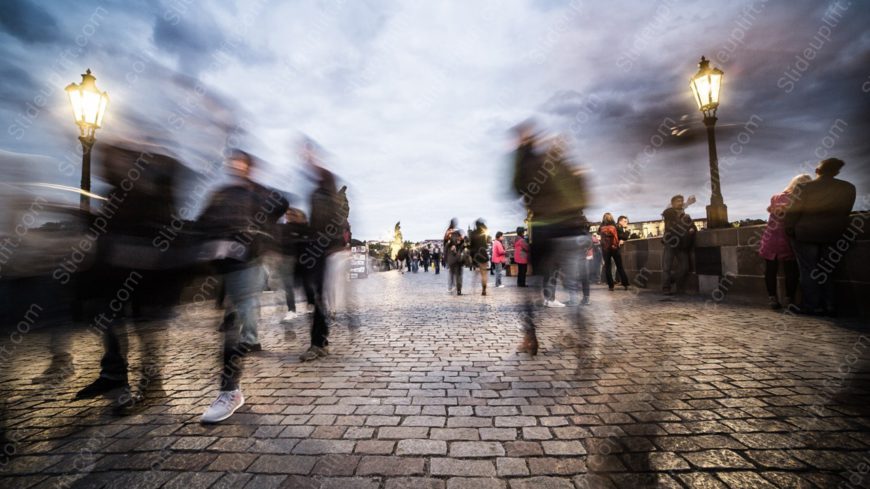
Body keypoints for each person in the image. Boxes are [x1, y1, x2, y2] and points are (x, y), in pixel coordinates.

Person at [198, 149, 287, 423]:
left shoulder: (256, 193)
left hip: (250, 262)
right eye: (232, 163)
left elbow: (281, 203)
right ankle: (237, 371)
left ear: (249, 167)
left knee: (236, 319)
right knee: (232, 320)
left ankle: (230, 390)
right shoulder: (221, 194)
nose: (236, 167)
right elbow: (203, 223)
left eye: (241, 163)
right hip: (225, 265)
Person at [512, 123, 588, 355]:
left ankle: (530, 337)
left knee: (532, 287)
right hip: (571, 232)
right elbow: (584, 200)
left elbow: (516, 187)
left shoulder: (535, 164)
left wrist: (523, 150)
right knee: (572, 285)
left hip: (545, 230)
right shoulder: (571, 168)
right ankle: (583, 339)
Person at [784, 158, 856, 316]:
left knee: (808, 270)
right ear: (836, 171)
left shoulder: (803, 187)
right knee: (828, 270)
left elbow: (792, 213)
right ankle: (830, 305)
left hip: (805, 234)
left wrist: (790, 230)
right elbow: (845, 212)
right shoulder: (848, 188)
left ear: (817, 171)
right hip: (832, 234)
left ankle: (813, 306)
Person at [758, 174, 812, 309]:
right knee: (791, 271)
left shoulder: (775, 197)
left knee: (771, 270)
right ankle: (789, 299)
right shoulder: (798, 198)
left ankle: (772, 299)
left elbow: (775, 210)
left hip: (770, 237)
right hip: (787, 238)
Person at [661, 194, 697, 295]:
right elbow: (674, 225)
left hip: (682, 245)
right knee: (666, 267)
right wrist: (686, 226)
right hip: (670, 243)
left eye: (681, 201)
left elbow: (694, 227)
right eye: (678, 201)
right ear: (672, 204)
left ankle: (670, 280)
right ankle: (666, 287)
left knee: (685, 268)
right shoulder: (669, 213)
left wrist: (691, 229)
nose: (680, 202)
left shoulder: (686, 216)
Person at [599, 213, 629, 291]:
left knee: (608, 267)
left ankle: (611, 286)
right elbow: (624, 237)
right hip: (615, 248)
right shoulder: (615, 227)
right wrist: (627, 231)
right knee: (620, 266)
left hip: (605, 249)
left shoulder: (601, 227)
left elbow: (599, 234)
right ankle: (625, 284)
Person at [468, 218, 490, 295]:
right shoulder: (484, 233)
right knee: (484, 273)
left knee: (476, 273)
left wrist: (471, 257)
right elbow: (486, 244)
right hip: (483, 256)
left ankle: (473, 289)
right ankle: (484, 289)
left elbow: (471, 246)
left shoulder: (473, 233)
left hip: (476, 256)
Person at [445, 228, 466, 295]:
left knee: (458, 276)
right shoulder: (451, 244)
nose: (460, 237)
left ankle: (457, 289)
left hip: (459, 262)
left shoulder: (462, 243)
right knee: (455, 276)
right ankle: (454, 288)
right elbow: (447, 252)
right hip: (454, 262)